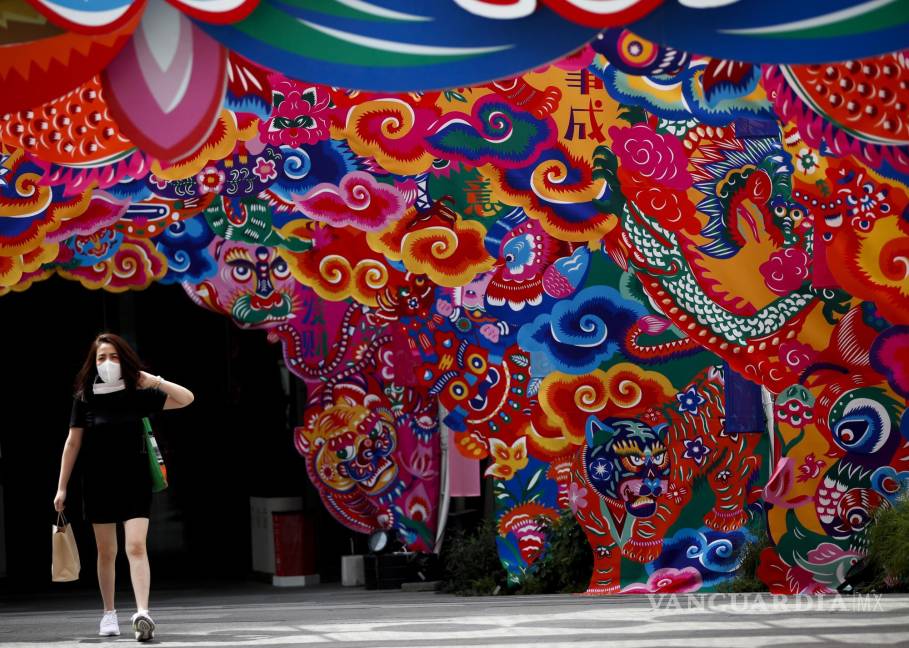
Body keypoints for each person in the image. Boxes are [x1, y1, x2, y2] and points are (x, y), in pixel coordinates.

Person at [53, 333, 194, 642]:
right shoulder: (84, 397)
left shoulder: (139, 392)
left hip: (135, 480)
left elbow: (186, 398)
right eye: (102, 358)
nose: (108, 364)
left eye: (115, 357)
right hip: (97, 482)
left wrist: (151, 379)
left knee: (135, 546)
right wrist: (61, 487)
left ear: (126, 361)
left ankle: (142, 613)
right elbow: (72, 442)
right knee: (107, 552)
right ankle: (109, 613)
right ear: (93, 363)